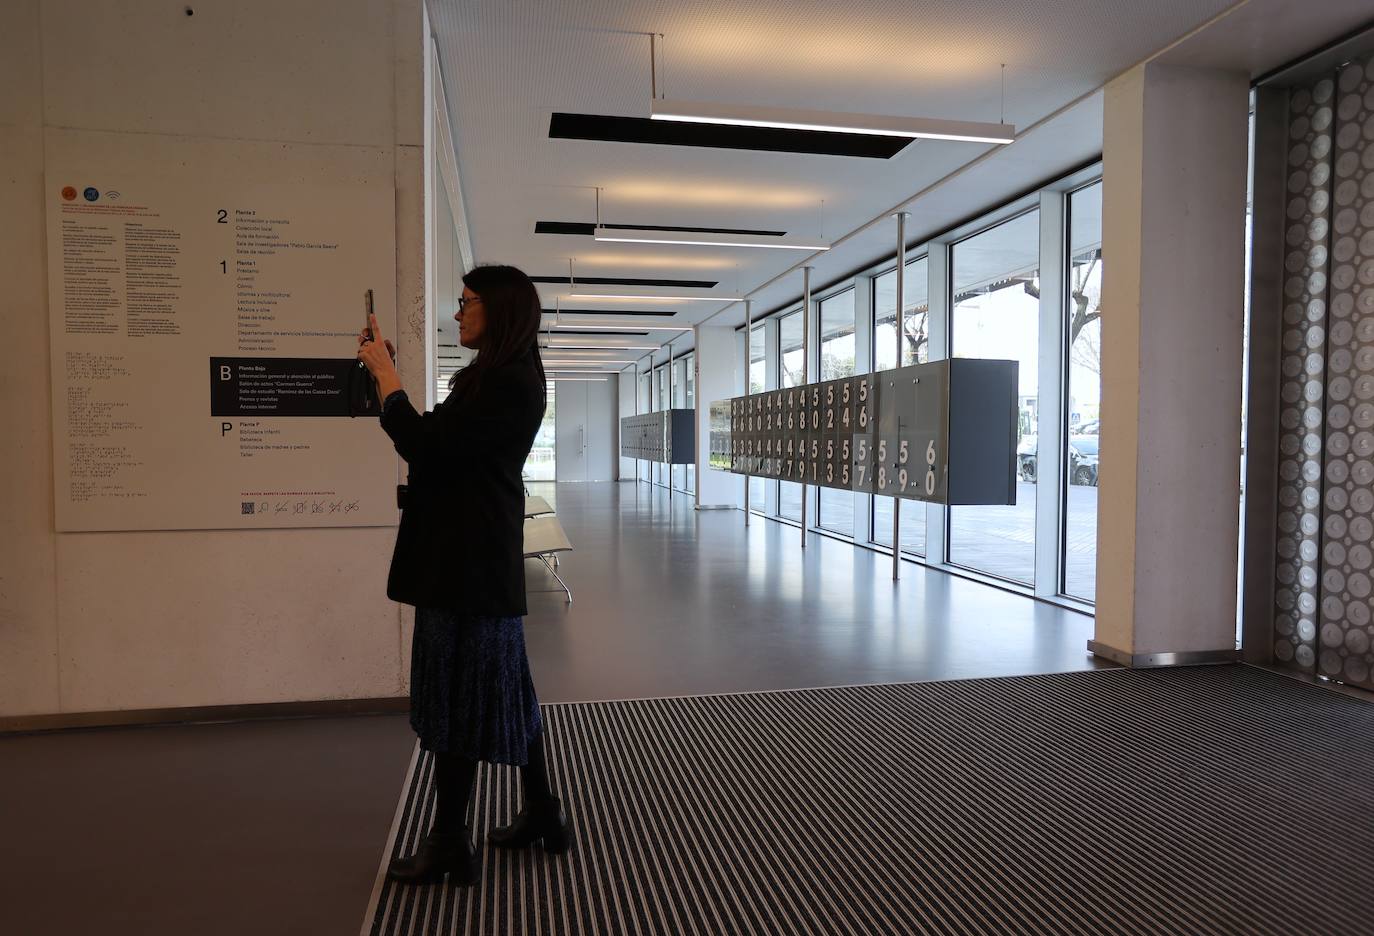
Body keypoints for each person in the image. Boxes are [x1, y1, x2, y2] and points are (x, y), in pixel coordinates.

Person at [355, 264, 570, 886]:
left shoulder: (506, 383)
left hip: (468, 563)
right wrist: (386, 382)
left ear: (498, 311)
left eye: (466, 303)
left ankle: (451, 842)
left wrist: (388, 379)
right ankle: (542, 812)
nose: (457, 313)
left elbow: (426, 446)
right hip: (473, 558)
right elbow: (439, 444)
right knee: (504, 686)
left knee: (460, 693)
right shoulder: (498, 378)